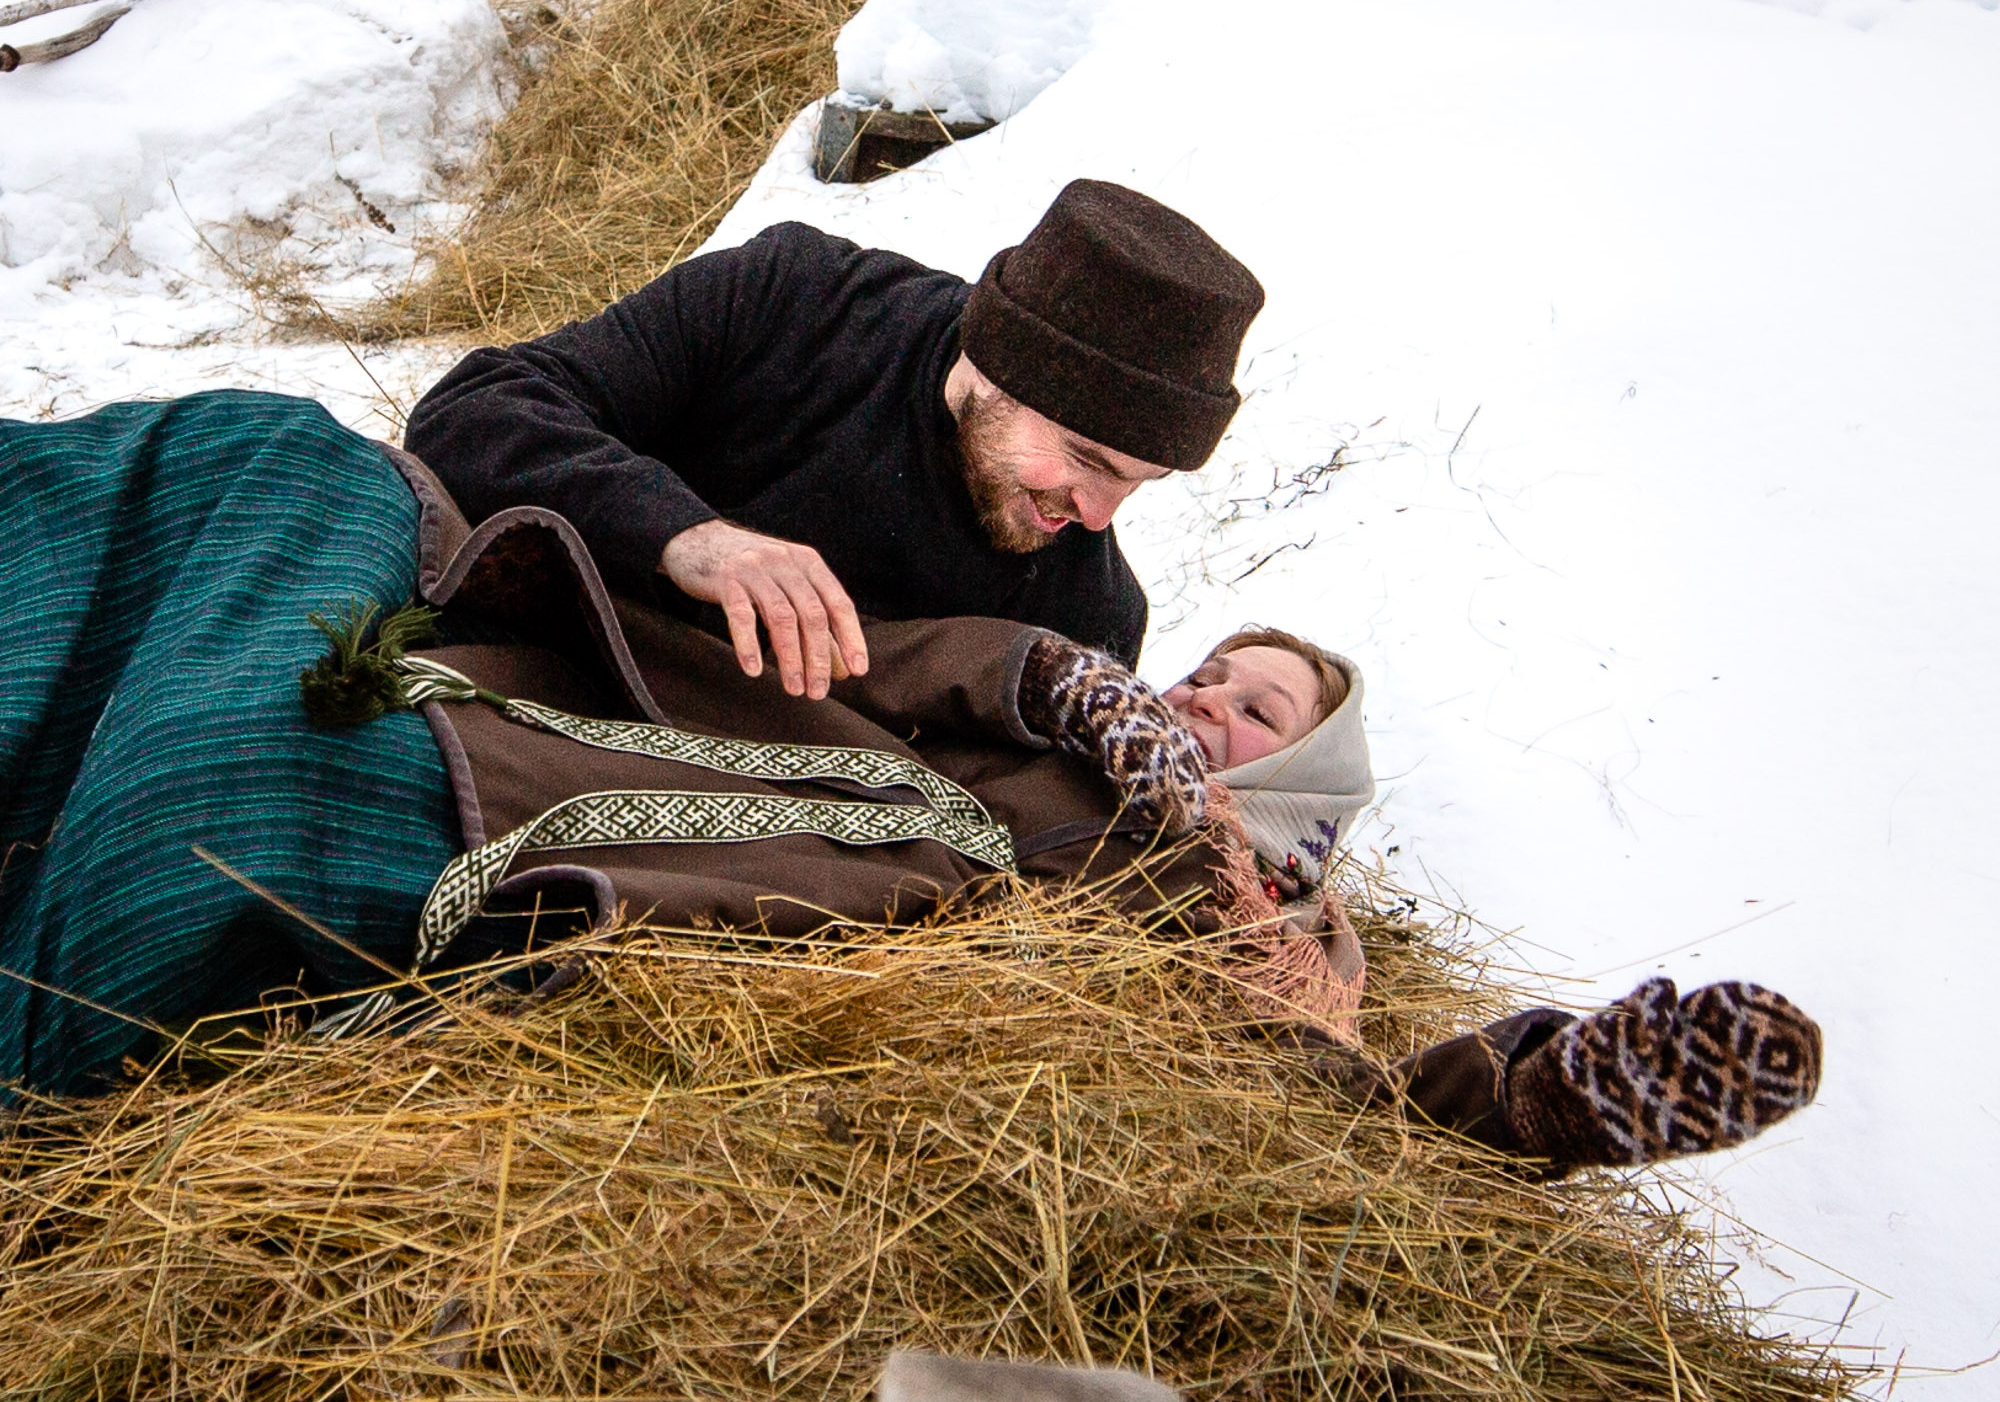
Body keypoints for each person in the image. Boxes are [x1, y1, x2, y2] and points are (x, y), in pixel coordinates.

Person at [0, 395, 1822, 1182]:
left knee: (195, 829)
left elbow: (1294, 1111)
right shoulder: (1066, 679)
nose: (1203, 699)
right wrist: (1066, 685)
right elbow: (908, 654)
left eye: (1253, 708)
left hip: (619, 836)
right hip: (567, 716)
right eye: (1210, 665)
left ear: (1312, 796)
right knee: (244, 478)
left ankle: (1555, 1087)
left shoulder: (1249, 906)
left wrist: (1497, 1082)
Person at [405, 178, 1267, 697]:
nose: (1097, 513)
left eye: (1139, 481)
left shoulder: (1090, 616)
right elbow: (474, 410)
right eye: (1087, 458)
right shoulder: (796, 300)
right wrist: (684, 535)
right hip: (508, 650)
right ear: (997, 363)